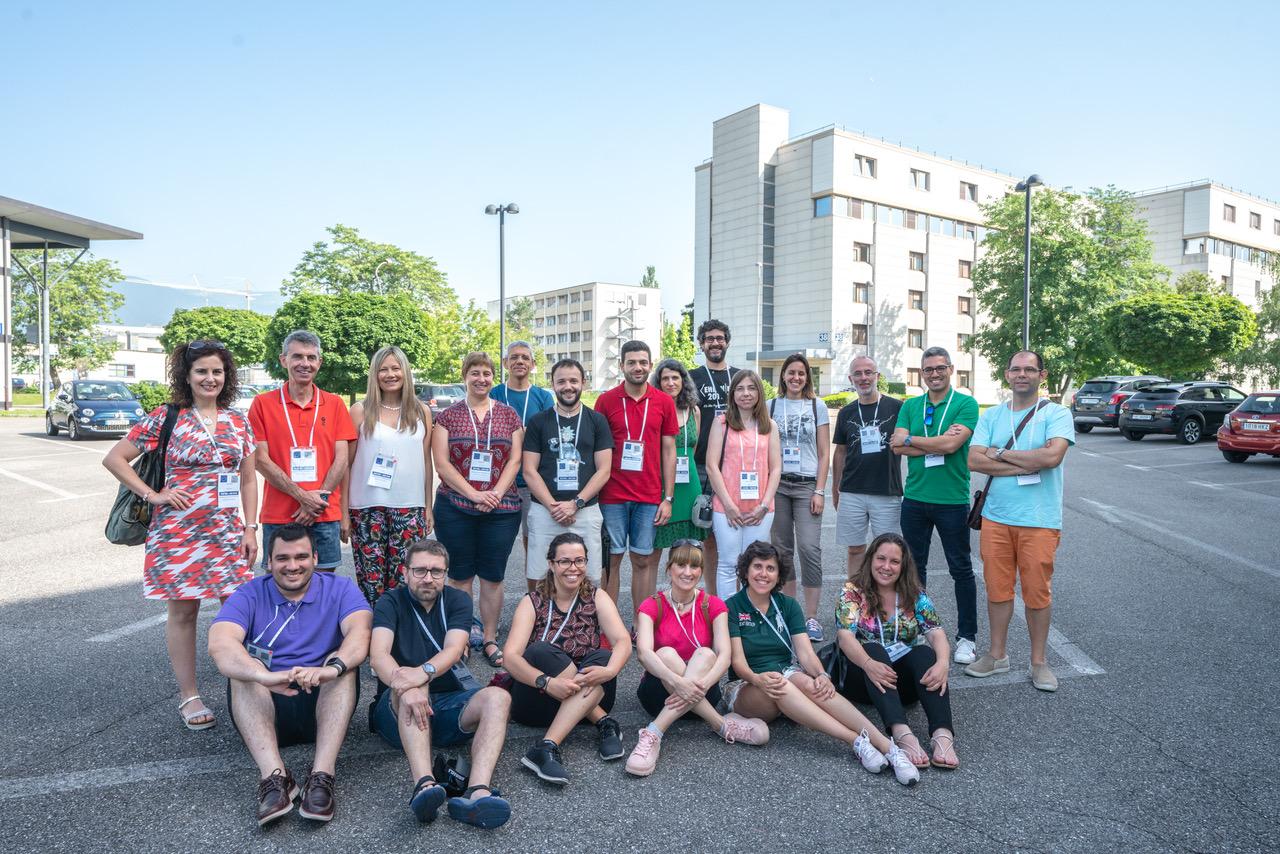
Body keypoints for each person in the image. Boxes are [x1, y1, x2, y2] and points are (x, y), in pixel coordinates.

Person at [103, 340, 257, 732]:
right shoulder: (166, 417)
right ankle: (189, 695)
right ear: (186, 376)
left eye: (217, 371)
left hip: (226, 532)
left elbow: (247, 479)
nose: (210, 378)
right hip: (178, 532)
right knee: (184, 612)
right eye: (202, 371)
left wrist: (251, 527)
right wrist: (152, 494)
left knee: (241, 608)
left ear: (227, 376)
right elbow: (115, 458)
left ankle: (247, 682)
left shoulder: (238, 421)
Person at [207, 524, 372, 825]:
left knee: (343, 666)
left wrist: (329, 669)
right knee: (242, 672)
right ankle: (275, 779)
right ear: (268, 562)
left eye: (301, 557)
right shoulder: (249, 593)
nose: (293, 566)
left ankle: (322, 777)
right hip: (266, 705)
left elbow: (360, 635)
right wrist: (262, 675)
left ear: (315, 557)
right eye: (283, 558)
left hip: (324, 703)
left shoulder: (341, 587)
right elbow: (220, 644)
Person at [722, 541, 919, 786]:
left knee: (810, 681)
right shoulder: (731, 607)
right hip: (746, 685)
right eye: (757, 567)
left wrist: (822, 675)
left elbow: (805, 652)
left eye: (770, 568)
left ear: (779, 574)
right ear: (745, 570)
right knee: (782, 683)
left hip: (785, 674)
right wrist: (757, 678)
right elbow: (738, 662)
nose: (763, 574)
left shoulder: (788, 605)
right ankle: (855, 741)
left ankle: (888, 748)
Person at [369, 539, 513, 828]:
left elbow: (454, 649)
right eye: (420, 570)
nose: (428, 578)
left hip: (445, 705)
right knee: (415, 685)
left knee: (499, 696)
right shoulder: (389, 601)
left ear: (445, 574)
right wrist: (406, 686)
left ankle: (478, 792)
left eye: (436, 572)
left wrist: (422, 672)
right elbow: (379, 656)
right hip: (397, 709)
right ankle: (424, 785)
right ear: (405, 572)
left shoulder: (457, 600)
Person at [965, 351, 1074, 692]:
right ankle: (997, 655)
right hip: (996, 518)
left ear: (1042, 375)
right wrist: (1029, 462)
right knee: (997, 590)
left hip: (1039, 520)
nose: (1022, 374)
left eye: (1029, 369)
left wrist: (999, 453)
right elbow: (973, 460)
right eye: (1016, 369)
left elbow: (1052, 456)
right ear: (1007, 375)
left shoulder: (1057, 413)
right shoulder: (993, 415)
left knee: (1036, 593)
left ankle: (1039, 662)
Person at [625, 540, 768, 777]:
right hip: (657, 693)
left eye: (694, 566)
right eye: (681, 565)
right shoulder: (652, 605)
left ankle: (654, 732)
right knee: (666, 654)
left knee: (706, 654)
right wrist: (677, 681)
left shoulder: (713, 605)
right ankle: (720, 724)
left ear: (701, 570)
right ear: (669, 568)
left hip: (704, 689)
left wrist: (701, 683)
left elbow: (724, 656)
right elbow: (643, 653)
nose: (688, 572)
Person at [503, 533, 632, 785]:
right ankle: (603, 721)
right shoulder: (532, 602)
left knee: (604, 657)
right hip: (539, 700)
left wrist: (611, 670)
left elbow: (623, 641)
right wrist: (547, 683)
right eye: (565, 562)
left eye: (579, 561)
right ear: (551, 565)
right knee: (541, 651)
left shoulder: (596, 597)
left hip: (590, 692)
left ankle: (546, 746)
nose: (573, 568)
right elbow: (509, 657)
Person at [431, 352, 524, 669]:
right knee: (459, 577)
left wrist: (495, 492)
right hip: (455, 506)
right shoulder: (446, 416)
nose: (481, 379)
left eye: (486, 373)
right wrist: (473, 493)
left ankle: (488, 637)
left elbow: (515, 459)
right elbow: (441, 463)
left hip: (502, 507)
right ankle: (459, 639)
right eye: (475, 373)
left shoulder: (509, 415)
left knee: (492, 577)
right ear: (465, 376)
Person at [835, 533, 958, 771]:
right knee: (872, 647)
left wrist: (943, 662)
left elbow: (936, 632)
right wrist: (869, 663)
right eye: (881, 559)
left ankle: (942, 735)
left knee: (924, 653)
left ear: (903, 566)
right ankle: (902, 733)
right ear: (871, 559)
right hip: (862, 676)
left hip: (899, 683)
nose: (886, 567)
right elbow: (845, 638)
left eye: (894, 562)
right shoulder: (853, 591)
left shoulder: (914, 593)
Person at [890, 346, 981, 665]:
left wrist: (913, 440)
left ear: (951, 369)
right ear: (922, 373)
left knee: (961, 570)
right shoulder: (911, 405)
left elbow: (952, 444)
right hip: (914, 499)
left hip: (952, 500)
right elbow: (895, 445)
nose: (934, 374)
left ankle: (967, 637)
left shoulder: (966, 404)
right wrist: (934, 441)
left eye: (939, 368)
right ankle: (914, 628)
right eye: (927, 369)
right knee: (914, 570)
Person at [248, 330, 357, 572]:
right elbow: (260, 460)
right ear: (283, 360)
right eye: (297, 356)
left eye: (311, 357)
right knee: (279, 586)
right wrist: (302, 496)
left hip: (324, 513)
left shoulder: (335, 403)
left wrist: (318, 501)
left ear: (320, 362)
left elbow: (342, 458)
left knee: (324, 586)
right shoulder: (262, 404)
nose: (304, 363)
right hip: (278, 515)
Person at [342, 345, 434, 606]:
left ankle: (399, 639)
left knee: (406, 580)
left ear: (405, 372)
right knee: (371, 583)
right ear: (375, 374)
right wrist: (344, 512)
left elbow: (426, 463)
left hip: (409, 507)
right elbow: (346, 466)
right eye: (383, 369)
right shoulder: (360, 411)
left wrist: (428, 506)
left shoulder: (420, 411)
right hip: (367, 508)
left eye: (395, 368)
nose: (390, 374)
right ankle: (373, 638)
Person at [594, 340, 678, 619]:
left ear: (650, 365)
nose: (637, 367)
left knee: (643, 560)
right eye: (631, 362)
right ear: (622, 366)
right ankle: (609, 624)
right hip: (612, 496)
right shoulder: (605, 401)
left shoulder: (664, 401)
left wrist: (668, 498)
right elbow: (598, 449)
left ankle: (643, 623)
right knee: (611, 561)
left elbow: (669, 451)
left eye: (643, 362)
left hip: (649, 496)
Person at [522, 358, 613, 592]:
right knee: (539, 572)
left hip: (585, 509)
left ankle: (587, 624)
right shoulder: (538, 421)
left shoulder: (597, 421)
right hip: (545, 510)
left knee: (591, 574)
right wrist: (555, 507)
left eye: (574, 380)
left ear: (583, 382)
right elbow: (529, 470)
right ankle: (539, 624)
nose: (568, 386)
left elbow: (604, 470)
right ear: (552, 384)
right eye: (561, 381)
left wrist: (575, 504)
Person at [768, 353, 830, 641]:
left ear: (808, 377)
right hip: (778, 484)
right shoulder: (770, 406)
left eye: (801, 373)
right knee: (781, 550)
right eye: (791, 372)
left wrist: (819, 490)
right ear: (783, 375)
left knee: (809, 549)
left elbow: (824, 453)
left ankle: (812, 617)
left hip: (806, 485)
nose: (796, 378)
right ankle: (790, 612)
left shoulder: (818, 406)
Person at [706, 370, 781, 597]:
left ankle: (752, 617)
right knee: (728, 565)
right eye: (739, 388)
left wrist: (764, 505)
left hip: (760, 509)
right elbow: (711, 466)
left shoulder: (769, 426)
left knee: (755, 567)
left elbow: (776, 468)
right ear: (732, 394)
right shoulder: (722, 423)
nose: (745, 394)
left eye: (751, 388)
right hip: (727, 508)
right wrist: (728, 505)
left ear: (759, 392)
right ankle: (727, 620)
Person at [832, 355, 904, 578]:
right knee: (855, 549)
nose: (863, 378)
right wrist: (836, 488)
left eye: (868, 372)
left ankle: (886, 601)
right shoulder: (846, 412)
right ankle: (855, 598)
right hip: (852, 490)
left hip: (886, 491)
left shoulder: (897, 408)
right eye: (858, 373)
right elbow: (840, 451)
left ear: (877, 376)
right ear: (851, 378)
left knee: (888, 552)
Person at [689, 319, 739, 596]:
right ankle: (711, 596)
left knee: (736, 532)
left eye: (720, 338)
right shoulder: (692, 377)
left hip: (737, 464)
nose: (715, 343)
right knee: (707, 535)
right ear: (702, 344)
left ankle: (737, 596)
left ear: (727, 341)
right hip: (702, 464)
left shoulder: (740, 376)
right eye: (709, 338)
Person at [490, 341, 555, 554]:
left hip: (531, 482)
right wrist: (521, 433)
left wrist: (520, 433)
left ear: (533, 364)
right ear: (505, 362)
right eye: (514, 357)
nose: (520, 361)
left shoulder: (543, 397)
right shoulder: (494, 394)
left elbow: (549, 436)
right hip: (499, 481)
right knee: (497, 543)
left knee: (533, 543)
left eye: (525, 357)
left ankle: (533, 588)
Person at [650, 359, 706, 553]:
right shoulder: (653, 411)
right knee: (655, 548)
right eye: (665, 378)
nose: (671, 382)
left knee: (689, 548)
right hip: (662, 484)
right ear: (658, 383)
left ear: (684, 381)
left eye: (675, 377)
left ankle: (685, 583)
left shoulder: (694, 411)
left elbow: (694, 447)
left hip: (689, 484)